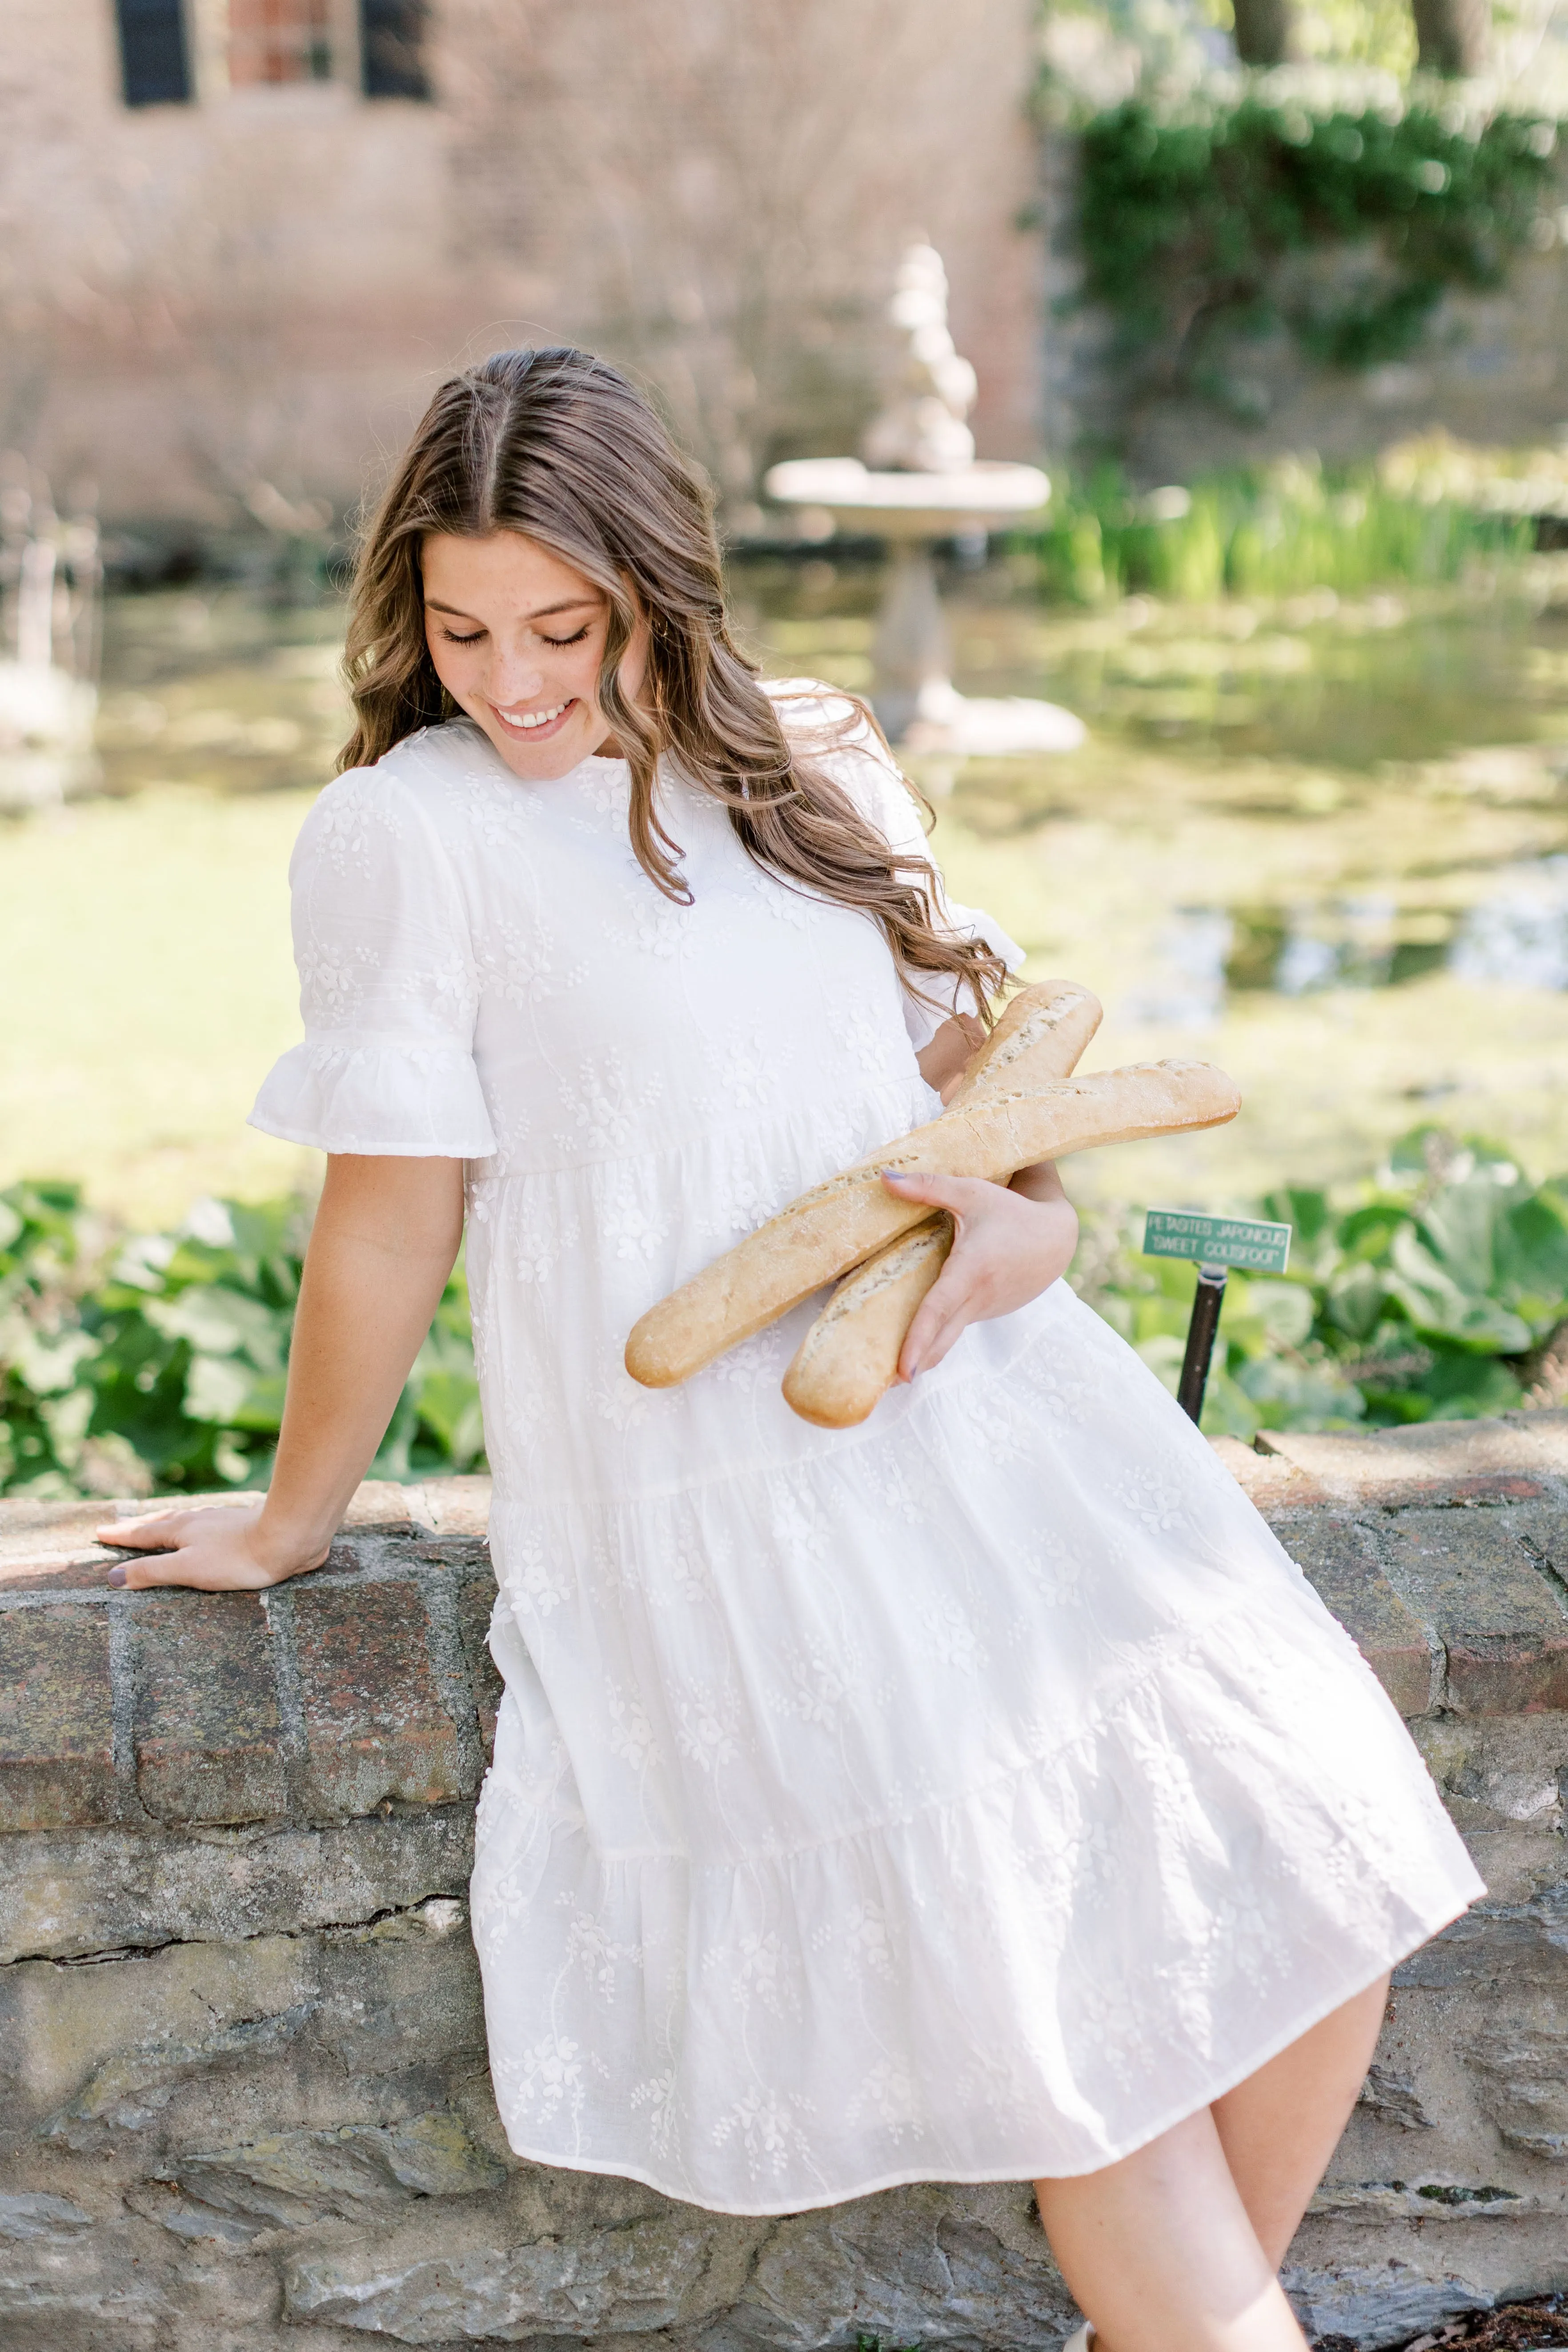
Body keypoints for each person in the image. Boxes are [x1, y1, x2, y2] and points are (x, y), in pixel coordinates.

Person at [101, 348, 1481, 2352]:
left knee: (1330, 1900)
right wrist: (298, 1514)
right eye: (463, 627)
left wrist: (1026, 1226)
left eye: (565, 627)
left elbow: (960, 1090)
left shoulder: (814, 751)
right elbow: (388, 1210)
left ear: (664, 582)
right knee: (1099, 2056)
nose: (514, 681)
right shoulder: (409, 837)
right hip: (737, 1514)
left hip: (1007, 1426)